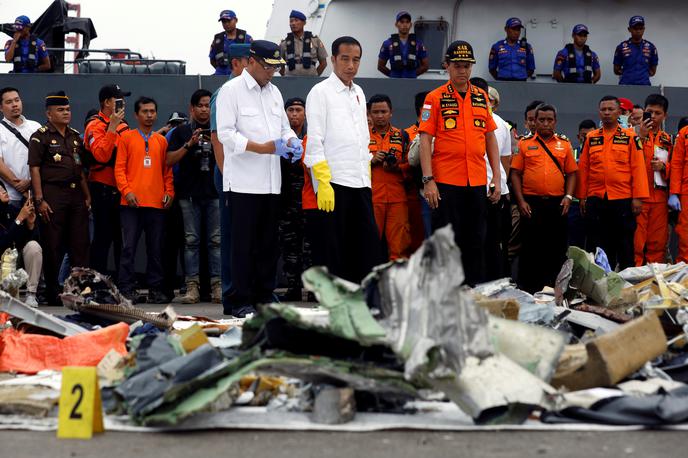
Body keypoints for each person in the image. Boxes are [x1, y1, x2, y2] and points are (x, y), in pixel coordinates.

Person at [216, 40, 301, 317]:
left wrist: (292, 141)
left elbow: (284, 127)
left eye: (275, 68)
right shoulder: (231, 91)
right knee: (242, 245)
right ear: (251, 62)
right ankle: (238, 300)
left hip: (270, 182)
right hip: (242, 183)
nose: (271, 73)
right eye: (267, 67)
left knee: (267, 245)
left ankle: (264, 297)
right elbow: (226, 134)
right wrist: (264, 148)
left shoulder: (274, 92)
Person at [419, 40, 501, 286]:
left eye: (466, 66)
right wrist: (428, 180)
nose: (462, 70)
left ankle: (472, 292)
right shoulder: (434, 98)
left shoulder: (481, 98)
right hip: (445, 182)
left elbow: (490, 138)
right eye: (457, 65)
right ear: (447, 66)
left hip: (475, 181)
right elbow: (425, 141)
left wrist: (496, 177)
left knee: (475, 240)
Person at [305, 36, 382, 284]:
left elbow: (362, 137)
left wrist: (366, 175)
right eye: (345, 59)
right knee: (334, 248)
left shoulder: (358, 92)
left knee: (365, 245)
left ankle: (362, 299)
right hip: (334, 182)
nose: (351, 65)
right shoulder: (320, 92)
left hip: (360, 180)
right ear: (333, 60)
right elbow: (315, 141)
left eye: (356, 60)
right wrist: (323, 182)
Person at [28, 91, 91, 305]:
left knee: (79, 244)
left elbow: (80, 168)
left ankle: (79, 290)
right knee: (52, 245)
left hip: (75, 195)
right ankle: (53, 292)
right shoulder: (40, 136)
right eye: (60, 110)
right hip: (52, 194)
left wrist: (87, 195)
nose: (66, 113)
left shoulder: (75, 136)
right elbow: (34, 169)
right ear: (49, 113)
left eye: (68, 109)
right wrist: (39, 199)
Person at [577, 96, 649, 270]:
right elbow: (584, 169)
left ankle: (626, 289)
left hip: (623, 200)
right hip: (596, 199)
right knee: (598, 247)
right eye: (604, 109)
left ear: (619, 112)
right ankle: (600, 290)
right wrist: (582, 197)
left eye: (611, 109)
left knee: (625, 247)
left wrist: (638, 198)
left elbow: (638, 168)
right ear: (599, 112)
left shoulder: (631, 137)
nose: (607, 113)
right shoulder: (591, 138)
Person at [511, 104, 577, 293]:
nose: (546, 123)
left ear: (555, 122)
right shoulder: (524, 143)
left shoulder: (564, 144)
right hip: (531, 203)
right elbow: (515, 173)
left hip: (558, 204)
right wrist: (521, 201)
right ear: (535, 121)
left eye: (550, 120)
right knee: (531, 248)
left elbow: (572, 173)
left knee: (556, 248)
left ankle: (555, 288)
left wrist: (569, 196)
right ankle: (529, 289)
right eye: (541, 120)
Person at [114, 97, 174, 304]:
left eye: (152, 111)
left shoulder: (162, 141)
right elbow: (119, 169)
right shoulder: (126, 138)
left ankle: (156, 289)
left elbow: (167, 171)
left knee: (156, 248)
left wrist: (170, 192)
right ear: (136, 115)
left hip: (156, 204)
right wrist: (127, 191)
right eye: (145, 111)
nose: (149, 115)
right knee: (128, 248)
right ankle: (126, 289)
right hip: (131, 204)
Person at [165, 89, 221, 304]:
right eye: (200, 105)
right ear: (192, 108)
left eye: (208, 105)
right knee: (191, 242)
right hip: (188, 194)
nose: (205, 109)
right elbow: (168, 160)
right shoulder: (181, 131)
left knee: (216, 241)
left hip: (214, 193)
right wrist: (190, 143)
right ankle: (192, 288)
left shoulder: (219, 129)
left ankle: (218, 286)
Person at [84, 84, 130, 277]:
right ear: (106, 102)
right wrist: (111, 126)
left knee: (123, 239)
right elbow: (102, 155)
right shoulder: (94, 126)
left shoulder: (125, 126)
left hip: (121, 189)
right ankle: (96, 283)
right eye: (118, 99)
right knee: (103, 238)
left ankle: (123, 284)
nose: (123, 103)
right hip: (102, 188)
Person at [368, 94, 411, 260]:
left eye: (383, 111)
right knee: (369, 243)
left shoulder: (402, 135)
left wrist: (397, 168)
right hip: (371, 197)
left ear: (391, 112)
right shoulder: (361, 136)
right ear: (369, 114)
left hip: (397, 198)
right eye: (376, 112)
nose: (380, 115)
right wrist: (371, 161)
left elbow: (412, 165)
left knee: (399, 245)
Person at [278, 97, 310, 301]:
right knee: (289, 246)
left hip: (308, 200)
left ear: (305, 113)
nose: (295, 114)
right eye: (291, 110)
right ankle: (293, 287)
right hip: (286, 200)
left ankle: (313, 289)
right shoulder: (279, 139)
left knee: (310, 247)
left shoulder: (313, 137)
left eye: (299, 110)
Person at [479, 82, 512, 280]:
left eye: (489, 100)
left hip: (494, 189)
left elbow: (505, 160)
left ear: (495, 104)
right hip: (476, 187)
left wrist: (499, 183)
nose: (486, 102)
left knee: (495, 240)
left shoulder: (501, 125)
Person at [634, 94, 672, 266]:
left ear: (665, 116)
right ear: (644, 112)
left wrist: (664, 168)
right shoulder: (631, 134)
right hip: (638, 198)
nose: (654, 117)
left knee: (657, 244)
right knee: (636, 243)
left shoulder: (668, 140)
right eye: (650, 112)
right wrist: (640, 136)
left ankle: (653, 283)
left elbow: (677, 168)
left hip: (660, 199)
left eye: (658, 113)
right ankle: (633, 281)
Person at [0, 184, 42, 307]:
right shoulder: (18, 213)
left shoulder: (13, 210)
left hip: (15, 258)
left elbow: (24, 241)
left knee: (34, 246)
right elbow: (3, 243)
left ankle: (31, 294)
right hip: (2, 260)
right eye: (0, 190)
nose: (4, 191)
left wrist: (30, 225)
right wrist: (19, 219)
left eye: (3, 188)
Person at [0, 87, 40, 211]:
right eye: (9, 102)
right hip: (10, 197)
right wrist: (19, 187)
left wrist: (30, 181)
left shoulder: (36, 126)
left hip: (37, 195)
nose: (14, 105)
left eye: (17, 100)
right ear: (1, 108)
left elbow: (44, 159)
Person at [404, 91, 430, 250]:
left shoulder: (442, 130)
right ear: (422, 109)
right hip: (416, 193)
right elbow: (407, 163)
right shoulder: (407, 134)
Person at [568, 119, 597, 249]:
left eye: (590, 136)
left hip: (594, 202)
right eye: (584, 136)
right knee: (574, 243)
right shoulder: (571, 153)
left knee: (594, 242)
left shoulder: (600, 153)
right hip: (575, 205)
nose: (587, 139)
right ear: (578, 136)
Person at [377, 11, 429, 79]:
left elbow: (425, 66)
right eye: (401, 22)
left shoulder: (418, 44)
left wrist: (412, 75)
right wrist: (392, 75)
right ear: (396, 24)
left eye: (407, 22)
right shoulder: (388, 43)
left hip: (412, 82)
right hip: (394, 81)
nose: (405, 25)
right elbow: (380, 66)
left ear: (410, 25)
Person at [279, 10, 328, 77]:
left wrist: (315, 77)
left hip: (311, 80)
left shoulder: (315, 41)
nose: (293, 23)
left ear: (304, 23)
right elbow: (279, 64)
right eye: (291, 21)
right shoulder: (284, 43)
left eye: (296, 20)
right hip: (289, 81)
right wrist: (285, 77)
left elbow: (323, 63)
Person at [613, 16, 658, 86]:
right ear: (629, 29)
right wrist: (628, 74)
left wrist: (642, 75)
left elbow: (653, 71)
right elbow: (616, 70)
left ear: (644, 29)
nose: (638, 31)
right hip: (625, 85)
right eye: (635, 28)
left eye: (640, 28)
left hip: (644, 86)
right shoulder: (621, 47)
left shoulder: (651, 47)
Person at [209, 10, 253, 76]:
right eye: (224, 22)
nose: (226, 24)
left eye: (229, 21)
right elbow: (212, 60)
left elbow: (254, 59)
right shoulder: (217, 40)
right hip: (221, 76)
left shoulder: (246, 38)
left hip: (240, 76)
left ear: (236, 20)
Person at [669, 119, 688, 262]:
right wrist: (674, 193)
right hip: (686, 193)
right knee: (685, 236)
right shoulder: (685, 133)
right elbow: (676, 164)